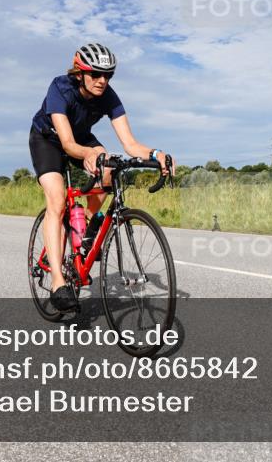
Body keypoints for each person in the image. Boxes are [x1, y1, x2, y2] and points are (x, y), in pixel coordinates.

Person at [30, 43, 172, 312]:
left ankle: (87, 235)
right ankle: (58, 282)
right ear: (80, 72)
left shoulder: (108, 95)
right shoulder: (60, 88)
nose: (102, 81)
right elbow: (69, 144)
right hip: (48, 140)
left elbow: (130, 144)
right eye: (95, 74)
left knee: (109, 166)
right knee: (57, 201)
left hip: (80, 138)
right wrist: (87, 154)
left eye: (108, 75)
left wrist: (156, 153)